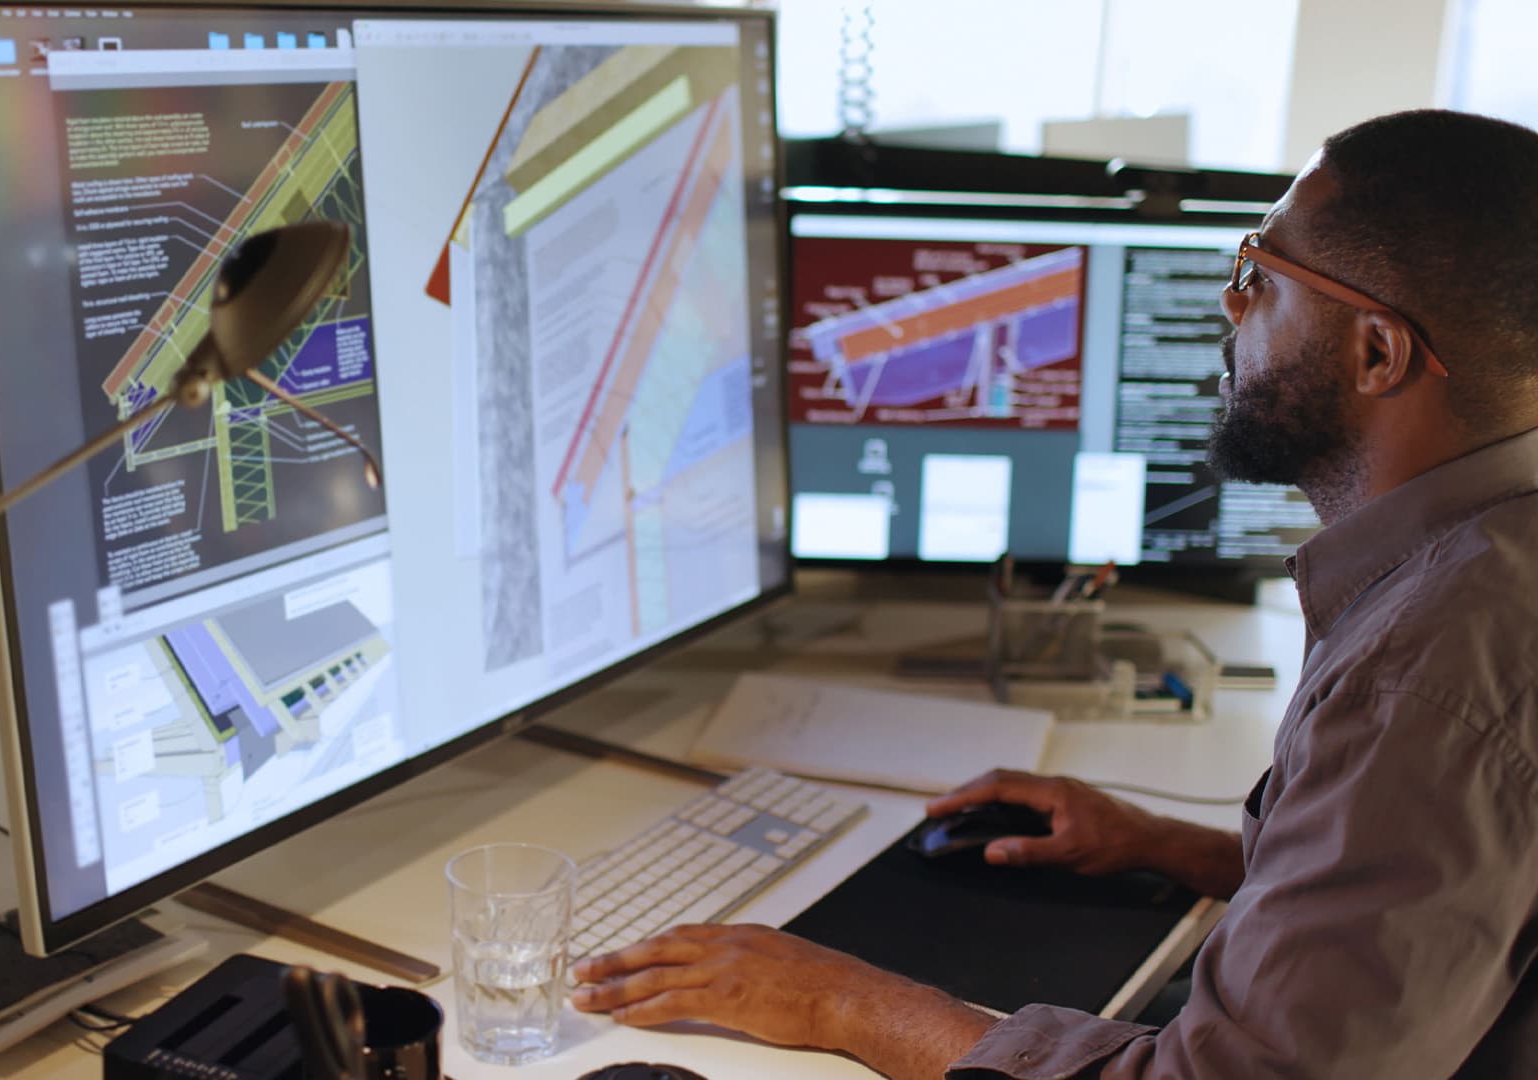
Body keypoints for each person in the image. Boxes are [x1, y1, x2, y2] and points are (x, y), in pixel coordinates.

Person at [571, 108, 1538, 1078]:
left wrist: (839, 1000)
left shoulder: (1434, 675)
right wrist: (1163, 844)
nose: (1231, 307)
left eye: (1260, 275)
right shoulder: (1482, 563)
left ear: (1378, 354)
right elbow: (1412, 899)